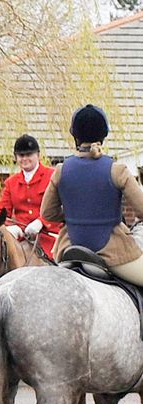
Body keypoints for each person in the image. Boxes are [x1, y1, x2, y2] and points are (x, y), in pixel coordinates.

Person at [41, 104, 143, 285]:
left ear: (75, 136)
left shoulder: (61, 170)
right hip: (112, 251)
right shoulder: (117, 170)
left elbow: (47, 213)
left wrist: (76, 214)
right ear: (103, 135)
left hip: (70, 249)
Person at [0, 134, 60, 257]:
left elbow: (61, 207)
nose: (24, 159)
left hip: (48, 237)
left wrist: (42, 222)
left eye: (29, 155)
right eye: (21, 155)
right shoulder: (11, 183)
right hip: (21, 239)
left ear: (38, 155)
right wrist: (8, 228)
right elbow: (0, 214)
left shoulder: (52, 176)